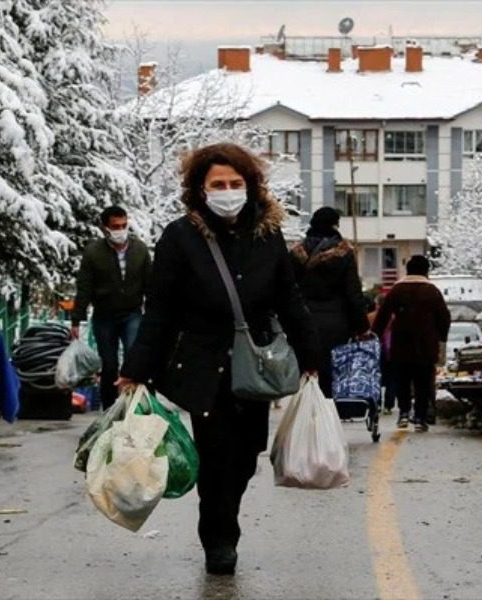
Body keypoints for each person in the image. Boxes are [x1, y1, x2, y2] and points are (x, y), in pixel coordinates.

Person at [117, 143, 319, 576]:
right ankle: (220, 539)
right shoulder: (179, 237)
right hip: (203, 364)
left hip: (254, 364)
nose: (227, 191)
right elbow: (160, 311)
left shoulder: (268, 237)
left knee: (246, 457)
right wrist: (136, 370)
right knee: (215, 454)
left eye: (235, 183)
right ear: (199, 190)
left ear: (251, 186)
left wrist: (312, 358)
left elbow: (290, 300)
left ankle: (226, 514)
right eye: (218, 184)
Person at [72, 205, 152, 409]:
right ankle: (108, 407)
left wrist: (153, 314)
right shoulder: (93, 253)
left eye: (124, 225)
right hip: (104, 315)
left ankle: (138, 406)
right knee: (109, 364)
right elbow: (85, 286)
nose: (120, 230)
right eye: (115, 226)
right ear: (105, 228)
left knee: (135, 358)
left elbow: (150, 284)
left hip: (132, 312)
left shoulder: (140, 250)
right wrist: (76, 318)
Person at [289, 206, 370, 399]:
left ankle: (306, 416)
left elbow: (287, 290)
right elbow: (353, 293)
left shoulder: (295, 253)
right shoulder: (343, 253)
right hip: (336, 323)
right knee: (330, 375)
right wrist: (362, 326)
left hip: (302, 321)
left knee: (306, 372)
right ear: (335, 225)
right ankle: (327, 415)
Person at [372, 255, 450, 432]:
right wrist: (441, 336)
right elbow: (444, 317)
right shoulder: (432, 291)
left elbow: (383, 315)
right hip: (426, 345)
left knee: (402, 380)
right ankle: (420, 418)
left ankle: (404, 413)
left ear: (408, 269)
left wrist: (375, 334)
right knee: (423, 382)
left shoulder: (397, 290)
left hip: (401, 342)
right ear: (426, 271)